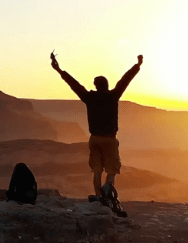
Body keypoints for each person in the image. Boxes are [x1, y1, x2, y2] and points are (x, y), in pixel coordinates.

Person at [51, 53, 143, 199]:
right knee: (112, 170)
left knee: (97, 171)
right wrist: (137, 65)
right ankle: (108, 193)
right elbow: (125, 80)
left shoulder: (89, 98)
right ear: (106, 85)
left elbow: (74, 84)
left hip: (95, 139)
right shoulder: (113, 96)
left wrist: (59, 70)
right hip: (110, 139)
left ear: (96, 85)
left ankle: (98, 195)